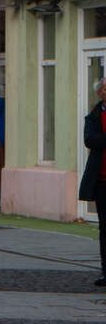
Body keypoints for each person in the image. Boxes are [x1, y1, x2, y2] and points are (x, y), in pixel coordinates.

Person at [78, 76, 106, 287]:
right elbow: (90, 140)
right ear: (100, 93)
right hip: (102, 182)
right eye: (105, 89)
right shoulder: (94, 115)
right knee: (105, 228)